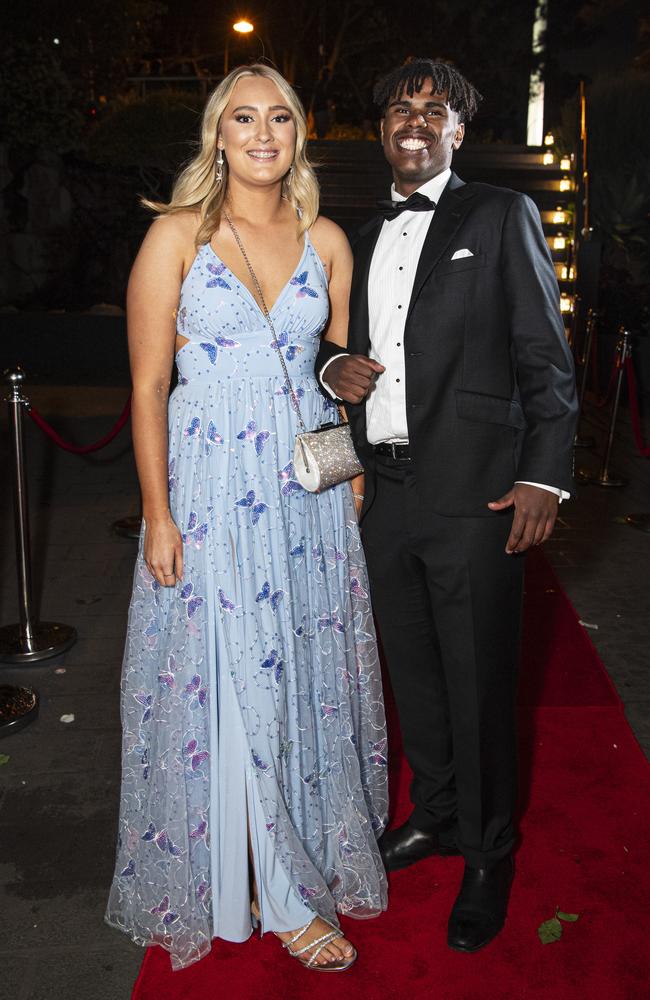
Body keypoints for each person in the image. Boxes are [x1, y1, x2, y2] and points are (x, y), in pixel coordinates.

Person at [106, 63, 388, 973]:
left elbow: (332, 382)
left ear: (301, 133)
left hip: (303, 499)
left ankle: (292, 867)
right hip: (210, 488)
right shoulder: (176, 235)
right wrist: (157, 513)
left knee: (300, 669)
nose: (263, 132)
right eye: (243, 118)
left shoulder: (331, 240)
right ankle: (271, 889)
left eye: (280, 118)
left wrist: (347, 475)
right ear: (216, 135)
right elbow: (149, 386)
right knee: (231, 678)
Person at [316, 58, 578, 953]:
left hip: (475, 491)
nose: (416, 120)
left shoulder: (502, 216)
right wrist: (329, 368)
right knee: (415, 673)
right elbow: (333, 344)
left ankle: (490, 851)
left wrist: (545, 475)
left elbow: (546, 353)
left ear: (460, 130)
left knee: (479, 681)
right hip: (381, 493)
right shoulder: (357, 230)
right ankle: (434, 816)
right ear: (380, 129)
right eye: (400, 107)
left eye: (436, 110)